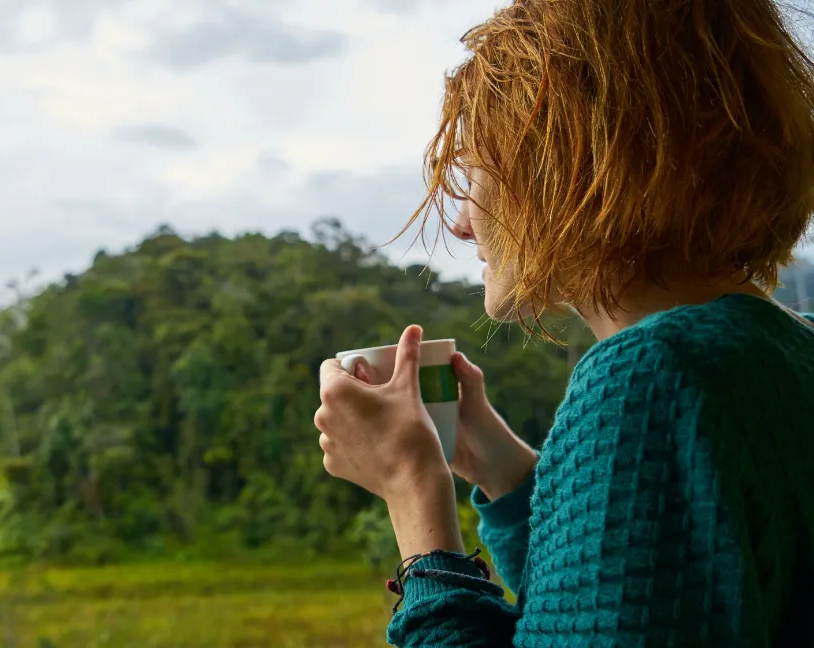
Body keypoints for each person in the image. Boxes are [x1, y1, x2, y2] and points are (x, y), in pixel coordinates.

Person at [313, 0, 814, 645]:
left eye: (472, 175)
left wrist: (414, 494)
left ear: (570, 165)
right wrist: (502, 469)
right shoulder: (785, 348)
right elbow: (625, 602)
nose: (461, 223)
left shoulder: (648, 376)